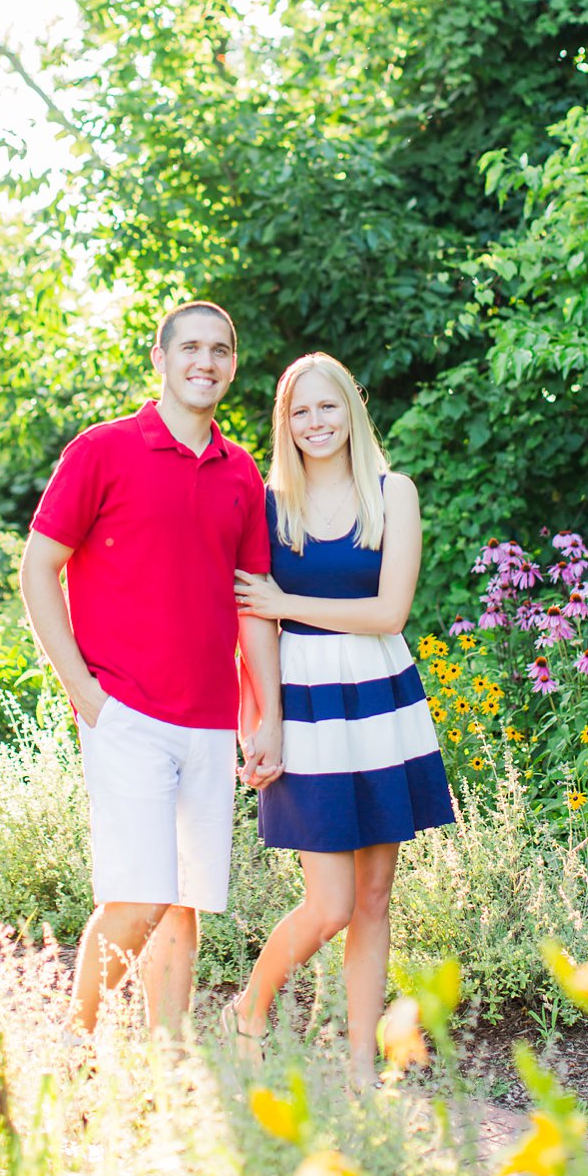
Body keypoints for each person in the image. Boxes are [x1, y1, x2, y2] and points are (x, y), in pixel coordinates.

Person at [20, 301, 282, 1041]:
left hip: (207, 720)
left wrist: (265, 716)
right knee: (138, 895)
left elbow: (252, 606)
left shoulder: (240, 473)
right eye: (191, 347)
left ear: (232, 366)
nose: (207, 361)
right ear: (159, 358)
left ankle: (171, 1068)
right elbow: (39, 566)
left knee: (181, 901)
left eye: (221, 349)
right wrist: (83, 689)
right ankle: (73, 1047)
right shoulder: (102, 449)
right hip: (125, 711)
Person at [225, 352, 455, 1089]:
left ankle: (362, 1063)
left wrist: (288, 603)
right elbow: (248, 620)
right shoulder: (266, 505)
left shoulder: (394, 494)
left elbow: (390, 612)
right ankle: (249, 1011)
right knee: (330, 903)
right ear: (283, 423)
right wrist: (262, 718)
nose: (315, 423)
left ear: (351, 409)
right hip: (308, 706)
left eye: (327, 407)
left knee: (377, 895)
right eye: (299, 411)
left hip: (381, 698)